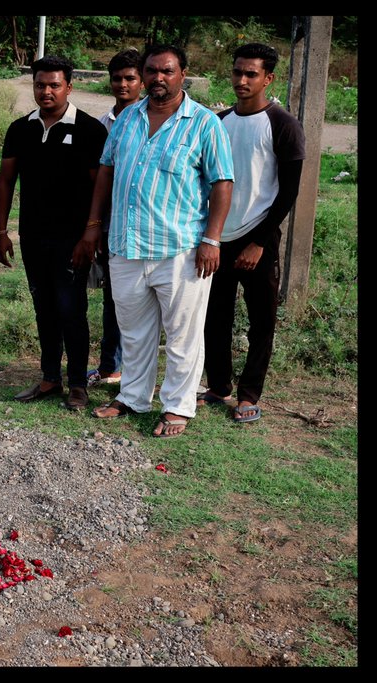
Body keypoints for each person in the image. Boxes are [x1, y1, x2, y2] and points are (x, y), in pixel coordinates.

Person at [76, 44, 234, 438]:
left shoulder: (203, 123)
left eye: (166, 71)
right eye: (151, 71)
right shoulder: (127, 118)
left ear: (183, 74)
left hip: (180, 249)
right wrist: (94, 225)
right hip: (126, 246)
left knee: (182, 333)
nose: (157, 78)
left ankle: (178, 407)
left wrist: (212, 239)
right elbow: (106, 173)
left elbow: (222, 183)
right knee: (134, 330)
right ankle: (132, 397)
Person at [0, 56, 107, 412]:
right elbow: (6, 180)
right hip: (33, 236)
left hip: (74, 240)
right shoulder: (20, 129)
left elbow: (101, 188)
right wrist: (1, 231)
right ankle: (48, 377)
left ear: (69, 87)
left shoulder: (90, 130)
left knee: (71, 308)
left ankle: (77, 384)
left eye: (54, 85)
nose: (46, 91)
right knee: (44, 308)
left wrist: (91, 235)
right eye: (40, 84)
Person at [200, 43, 305, 423]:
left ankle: (248, 395)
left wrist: (259, 241)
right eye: (237, 73)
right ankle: (218, 386)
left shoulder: (283, 125)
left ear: (268, 78)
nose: (242, 81)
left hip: (258, 239)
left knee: (262, 320)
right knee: (214, 316)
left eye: (251, 74)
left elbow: (288, 191)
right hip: (218, 238)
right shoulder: (220, 121)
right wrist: (209, 236)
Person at [87, 47, 144, 387]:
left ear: (143, 81)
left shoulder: (149, 119)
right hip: (106, 222)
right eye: (117, 78)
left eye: (130, 78)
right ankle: (110, 366)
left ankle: (129, 371)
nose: (123, 85)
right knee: (111, 298)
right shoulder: (100, 125)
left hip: (138, 223)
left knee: (134, 301)